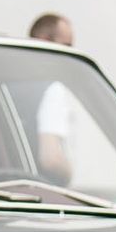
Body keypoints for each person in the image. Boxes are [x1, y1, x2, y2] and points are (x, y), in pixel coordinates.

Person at [26, 13, 77, 183]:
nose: (70, 54)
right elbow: (51, 159)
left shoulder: (3, 87)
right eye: (66, 46)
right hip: (46, 192)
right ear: (44, 41)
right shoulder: (54, 89)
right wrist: (72, 176)